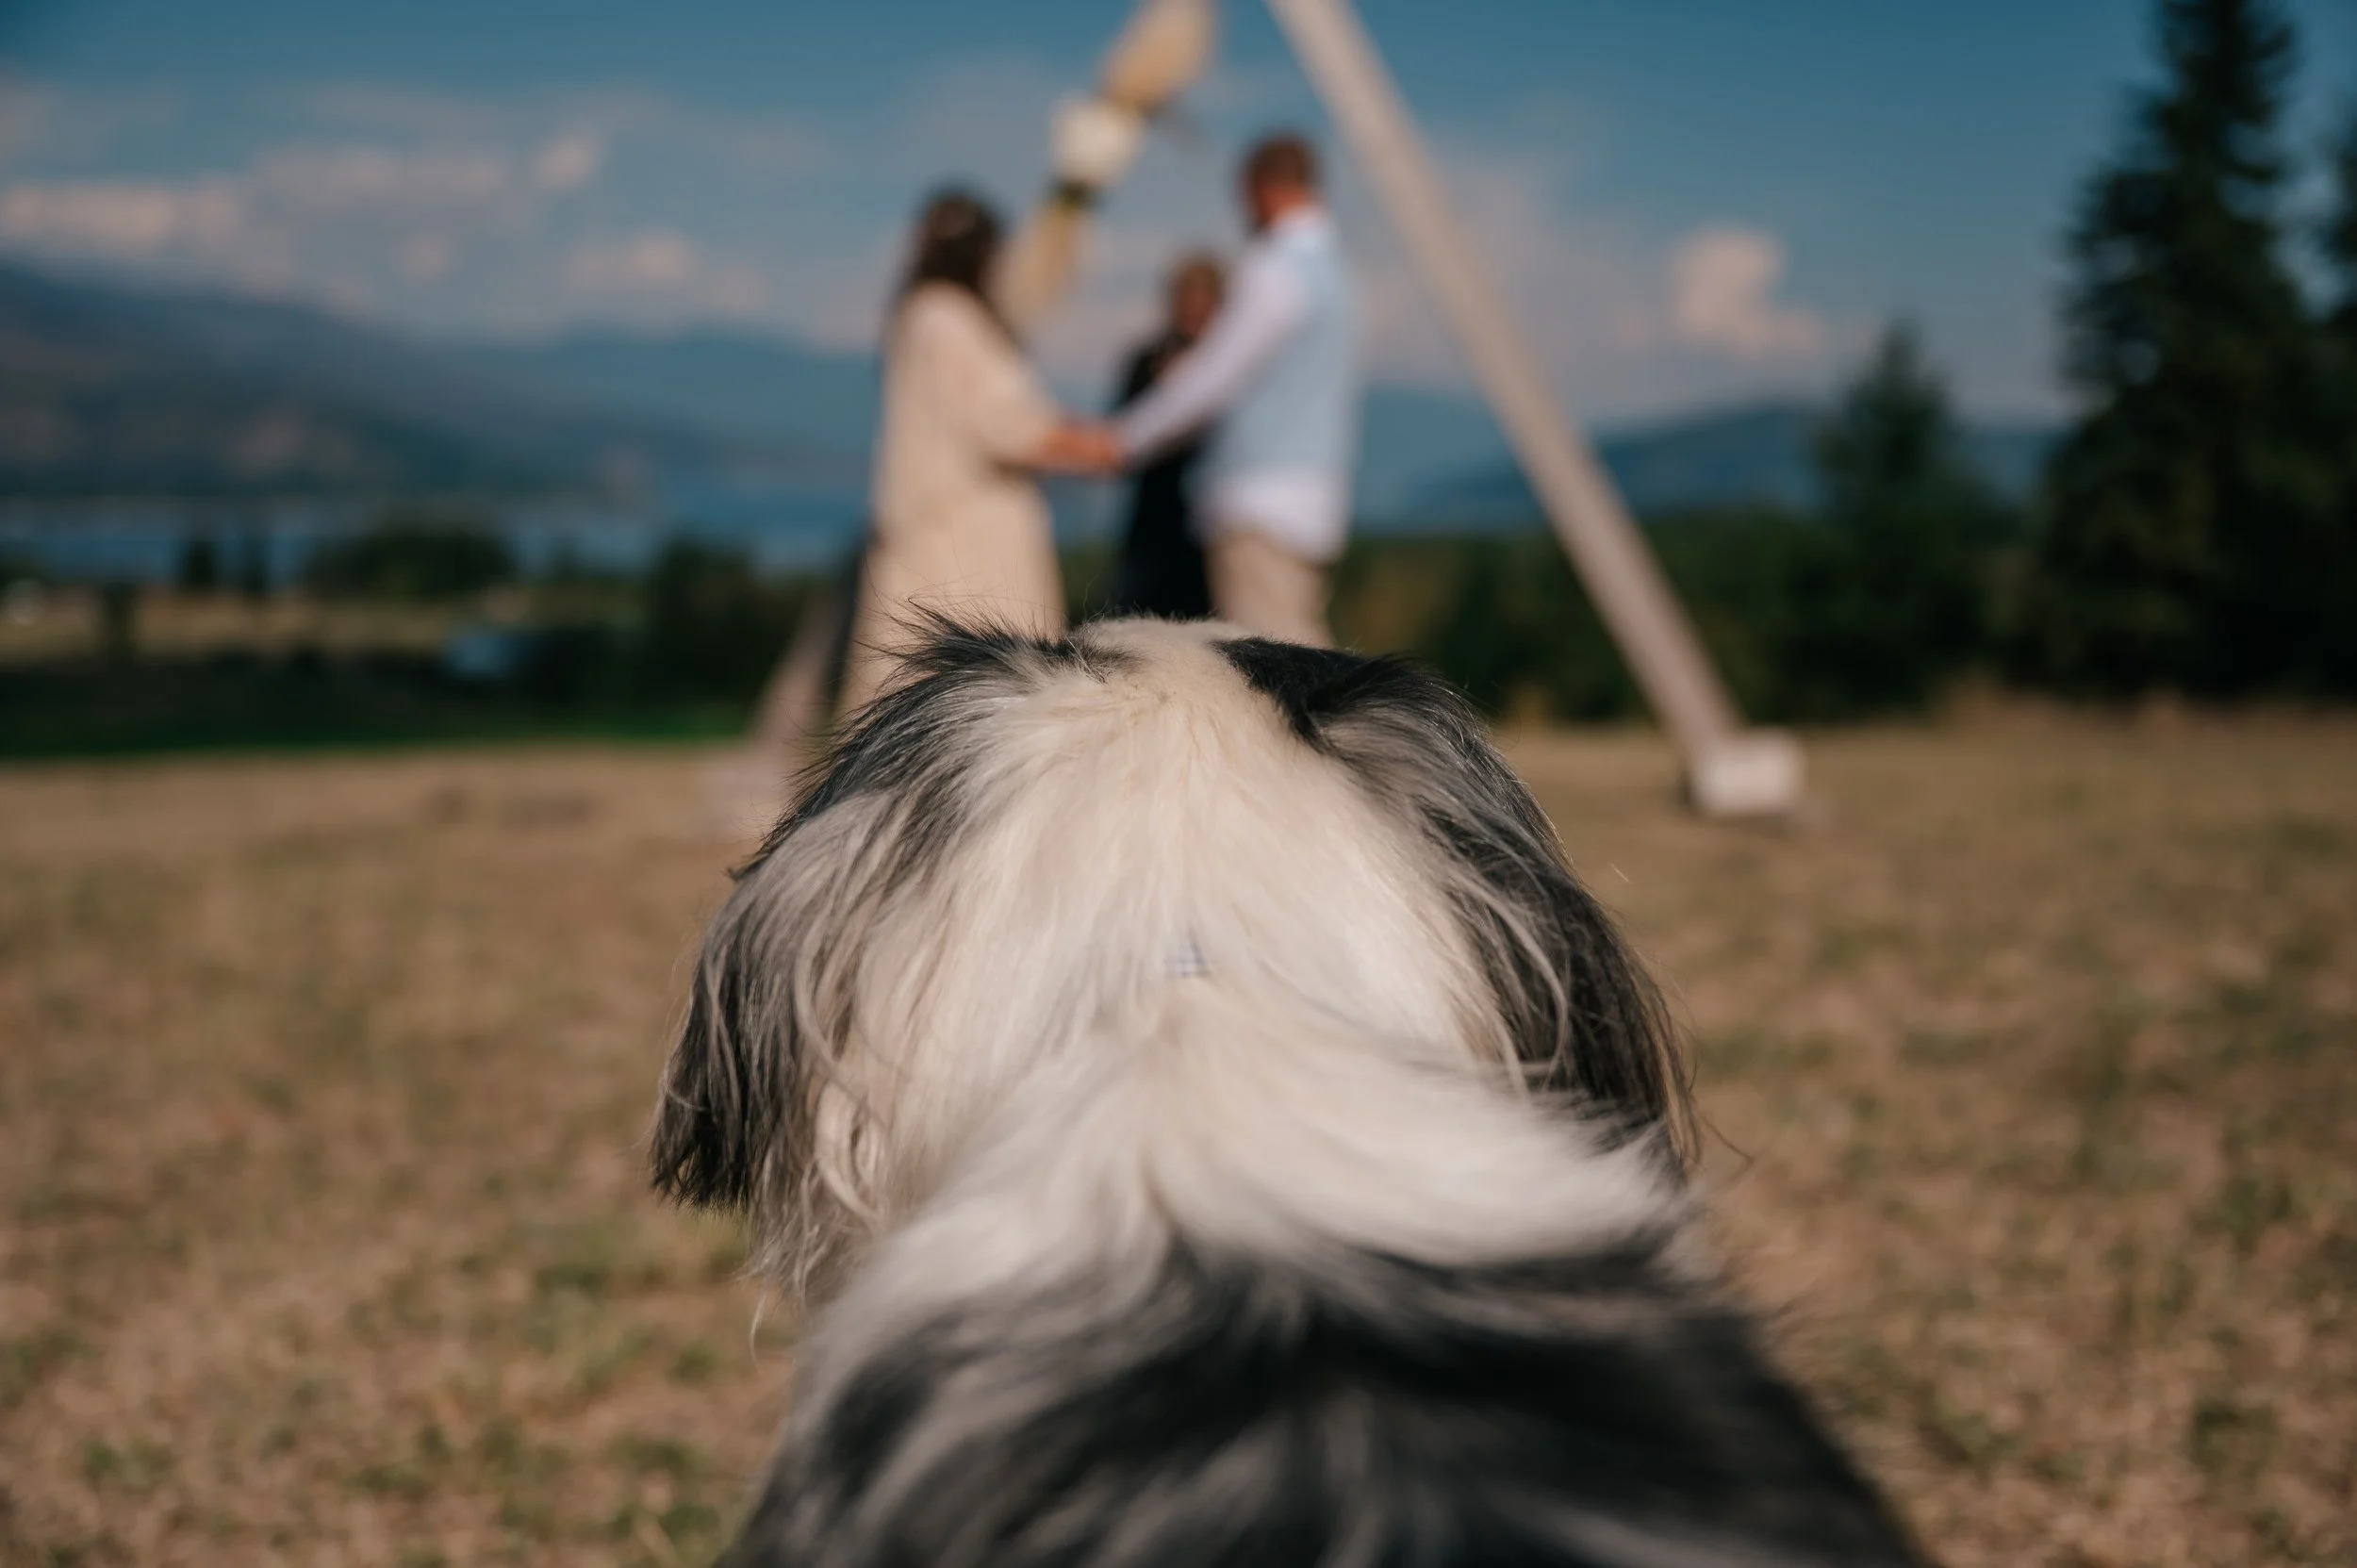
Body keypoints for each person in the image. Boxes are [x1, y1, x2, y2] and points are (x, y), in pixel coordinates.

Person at [843, 188, 1112, 714]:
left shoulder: (919, 315)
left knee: (914, 692)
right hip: (964, 537)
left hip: (934, 525)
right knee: (973, 692)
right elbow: (1006, 424)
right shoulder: (949, 319)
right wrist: (1101, 446)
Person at [1100, 132, 1359, 647]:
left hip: (1261, 503)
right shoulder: (1336, 273)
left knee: (1280, 674)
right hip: (1313, 500)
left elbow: (1214, 378)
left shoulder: (1275, 269)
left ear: (1262, 188)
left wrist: (1122, 439)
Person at [1106, 253, 1225, 619]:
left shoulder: (1229, 365)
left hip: (1211, 526)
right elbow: (1122, 432)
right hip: (1153, 523)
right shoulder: (1146, 361)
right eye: (1185, 300)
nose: (1192, 311)